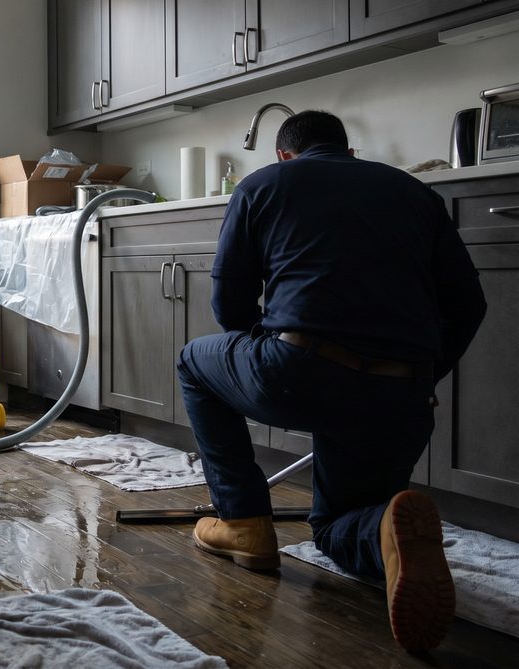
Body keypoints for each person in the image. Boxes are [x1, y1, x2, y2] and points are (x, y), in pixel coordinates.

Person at [176, 110, 486, 651]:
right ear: (348, 150)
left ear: (284, 155)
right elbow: (468, 305)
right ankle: (385, 528)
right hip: (403, 394)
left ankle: (243, 521)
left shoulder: (263, 185)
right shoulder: (415, 193)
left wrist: (268, 355)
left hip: (301, 371)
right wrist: (420, 377)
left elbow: (228, 305)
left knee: (193, 362)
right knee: (338, 525)